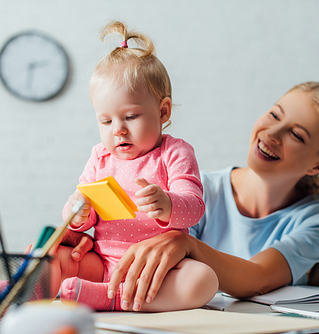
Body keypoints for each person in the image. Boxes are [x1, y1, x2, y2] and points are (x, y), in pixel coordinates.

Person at [59, 81, 319, 312]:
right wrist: (89, 239)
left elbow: (260, 279)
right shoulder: (201, 189)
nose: (272, 133)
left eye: (297, 135)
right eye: (274, 115)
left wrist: (188, 245)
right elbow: (145, 248)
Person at [49, 21, 218, 313]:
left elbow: (195, 207)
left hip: (156, 272)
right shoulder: (100, 156)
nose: (118, 130)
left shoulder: (174, 153)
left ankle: (113, 299)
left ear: (163, 111)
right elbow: (76, 219)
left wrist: (167, 203)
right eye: (106, 121)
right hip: (100, 265)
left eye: (131, 116)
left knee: (203, 279)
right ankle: (11, 291)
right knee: (54, 257)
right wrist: (78, 212)